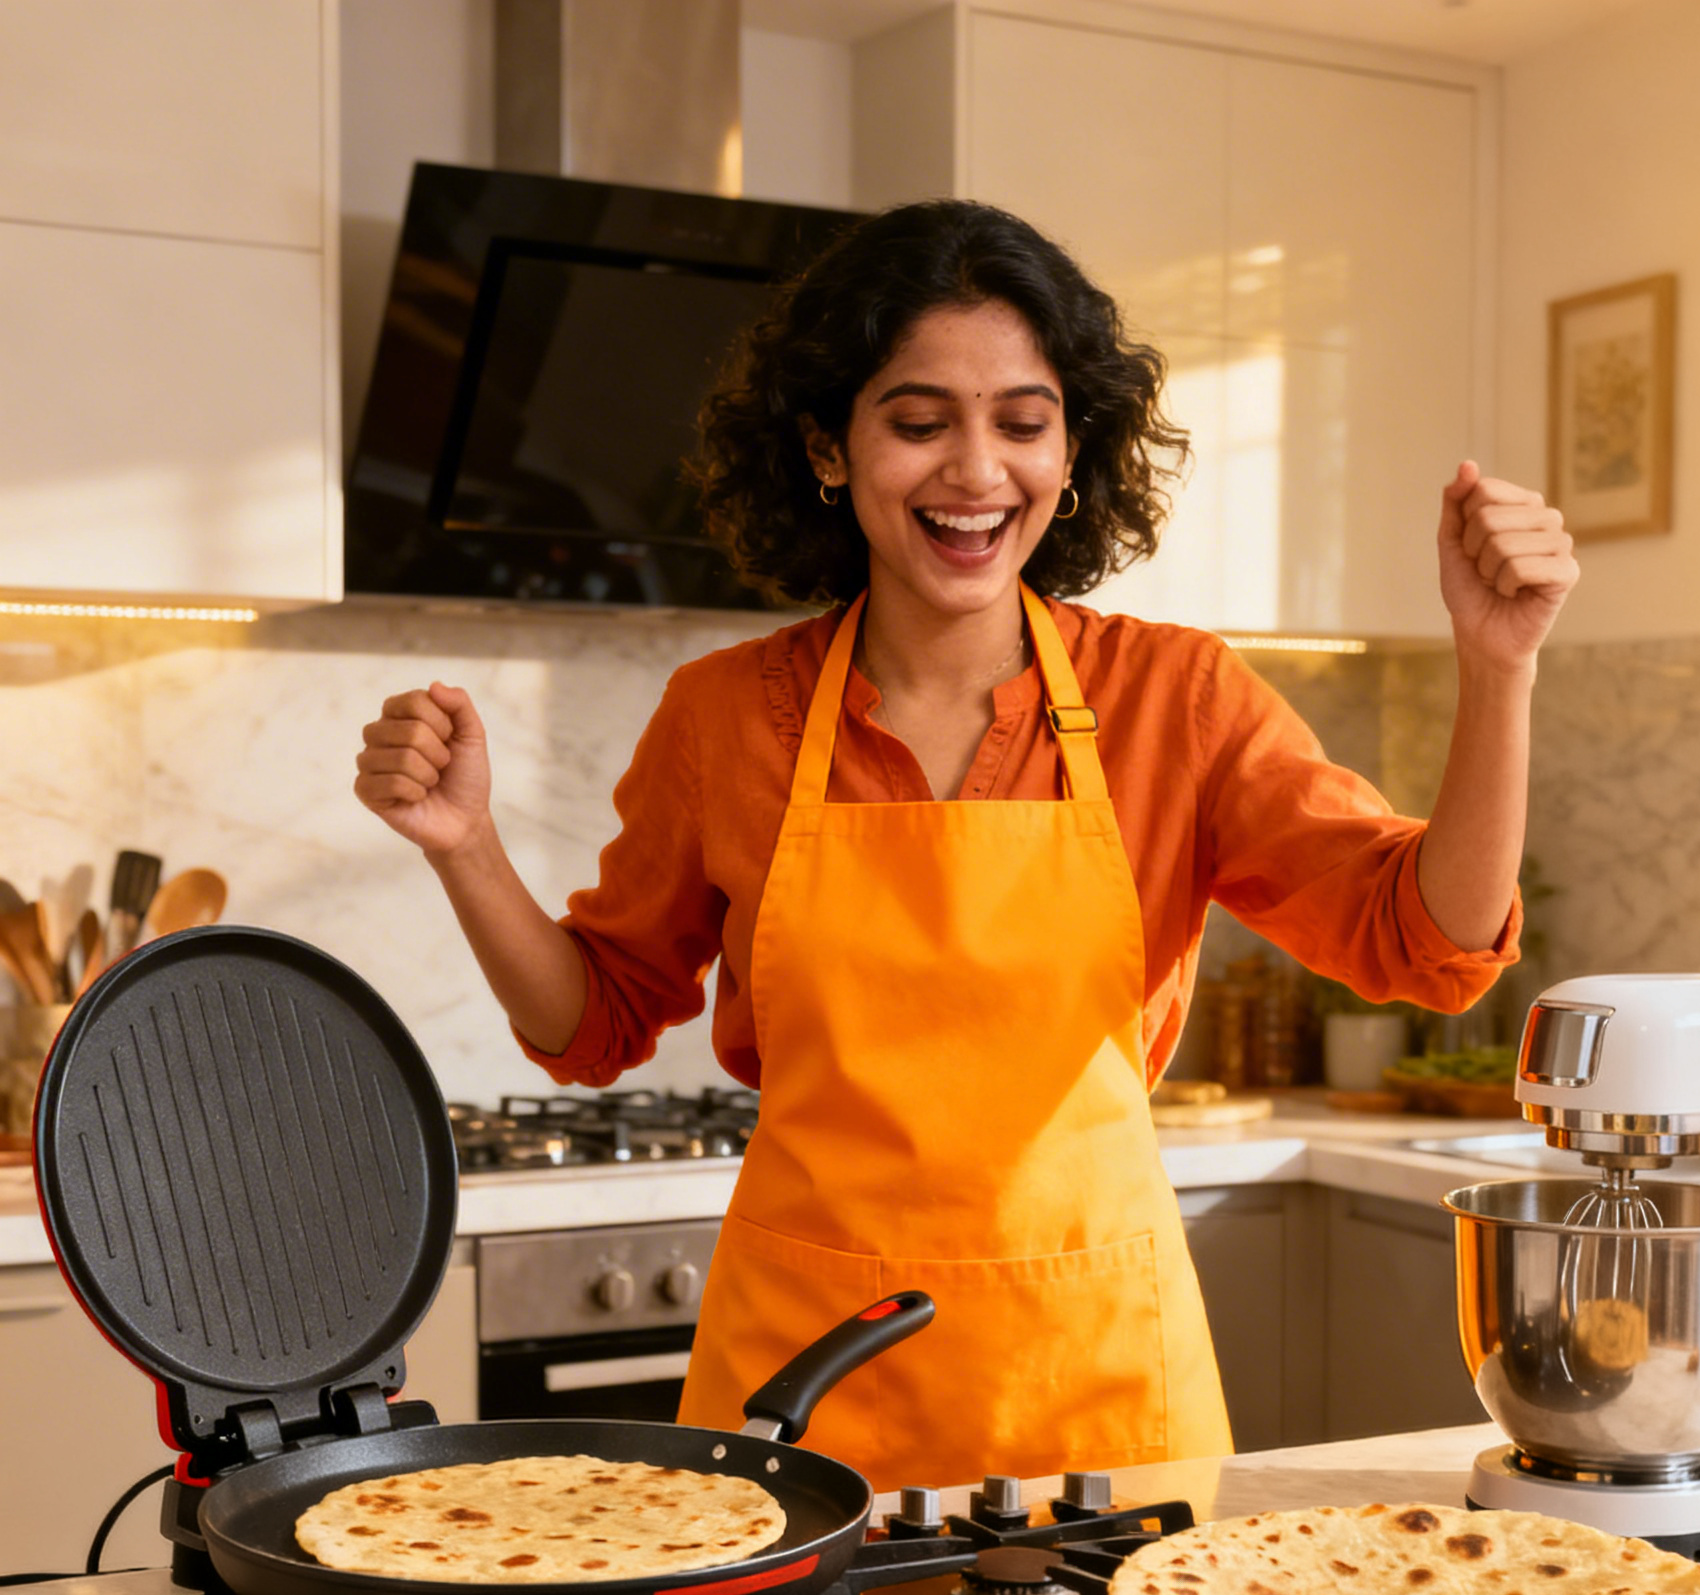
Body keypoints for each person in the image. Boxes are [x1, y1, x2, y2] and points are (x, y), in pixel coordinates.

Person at [355, 199, 1578, 1494]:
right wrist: (464, 846)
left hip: (1094, 1384)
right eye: (919, 420)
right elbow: (594, 1019)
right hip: (802, 1388)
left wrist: (1499, 671)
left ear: (1073, 448)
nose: (976, 471)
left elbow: (1431, 944)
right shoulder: (726, 718)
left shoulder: (1177, 700)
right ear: (829, 447)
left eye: (1022, 421)